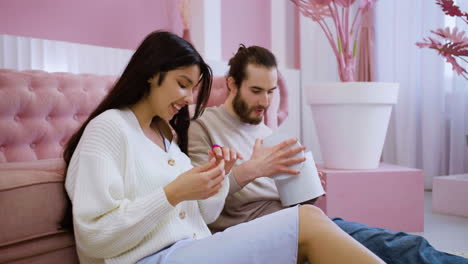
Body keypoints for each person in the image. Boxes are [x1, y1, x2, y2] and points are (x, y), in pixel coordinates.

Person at [61, 31, 385, 264]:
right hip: (154, 258)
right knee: (309, 221)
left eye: (193, 88)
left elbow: (204, 213)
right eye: (183, 85)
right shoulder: (109, 129)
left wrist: (218, 179)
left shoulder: (166, 138)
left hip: (194, 247)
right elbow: (95, 234)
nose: (189, 99)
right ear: (150, 75)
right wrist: (174, 192)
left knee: (325, 228)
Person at [188, 44, 468, 264]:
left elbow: (280, 197)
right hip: (263, 233)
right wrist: (255, 168)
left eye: (271, 92)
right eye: (256, 91)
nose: (265, 102)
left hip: (298, 220)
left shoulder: (265, 132)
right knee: (391, 248)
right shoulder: (202, 128)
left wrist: (303, 189)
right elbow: (204, 204)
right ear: (233, 84)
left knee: (404, 245)